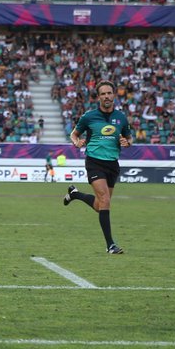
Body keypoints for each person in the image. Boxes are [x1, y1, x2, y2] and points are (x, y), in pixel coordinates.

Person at [62, 80, 133, 254]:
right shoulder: (89, 117)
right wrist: (76, 142)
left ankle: (75, 194)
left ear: (114, 95)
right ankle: (110, 245)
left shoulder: (121, 118)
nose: (106, 96)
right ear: (98, 97)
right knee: (105, 201)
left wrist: (127, 142)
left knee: (100, 205)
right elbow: (74, 134)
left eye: (109, 93)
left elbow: (129, 137)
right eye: (103, 94)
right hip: (94, 162)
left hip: (113, 164)